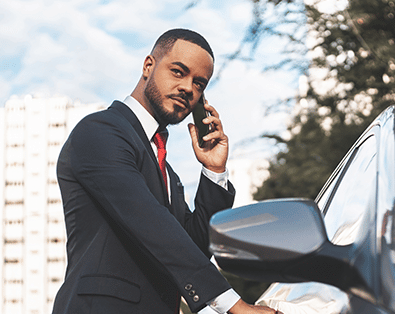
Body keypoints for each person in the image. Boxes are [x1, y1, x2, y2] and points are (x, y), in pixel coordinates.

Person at [52, 29, 280, 314]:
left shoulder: (167, 173)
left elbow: (192, 247)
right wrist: (234, 305)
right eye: (178, 72)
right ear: (148, 66)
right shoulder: (100, 132)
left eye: (199, 83)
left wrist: (214, 170)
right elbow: (151, 224)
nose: (188, 88)